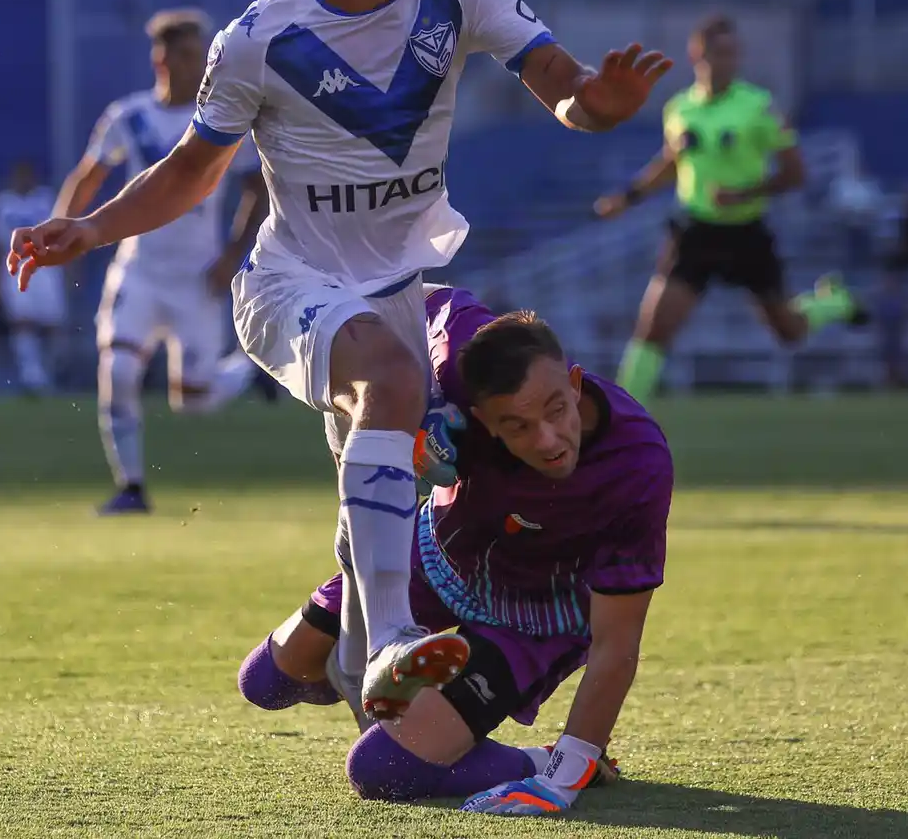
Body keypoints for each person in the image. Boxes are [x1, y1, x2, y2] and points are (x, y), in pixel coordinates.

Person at [7, 0, 672, 720]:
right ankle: (395, 636)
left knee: (380, 512)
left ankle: (327, 667)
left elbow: (561, 82)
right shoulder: (258, 40)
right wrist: (87, 228)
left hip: (397, 290)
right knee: (395, 390)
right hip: (289, 286)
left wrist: (599, 104)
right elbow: (192, 173)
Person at [237, 285, 670, 816]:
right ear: (485, 418)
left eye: (559, 410)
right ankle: (421, 696)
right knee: (267, 681)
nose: (550, 439)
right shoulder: (460, 350)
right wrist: (427, 401)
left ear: (575, 383)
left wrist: (562, 781)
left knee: (380, 770)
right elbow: (412, 293)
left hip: (534, 617)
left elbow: (617, 642)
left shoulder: (637, 463)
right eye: (518, 426)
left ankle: (542, 760)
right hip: (435, 554)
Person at [50, 9, 268, 515]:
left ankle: (252, 374)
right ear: (161, 58)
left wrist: (234, 254)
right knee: (119, 369)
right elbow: (88, 176)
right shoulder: (129, 117)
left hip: (197, 276)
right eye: (190, 54)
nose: (201, 64)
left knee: (193, 401)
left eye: (203, 53)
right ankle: (131, 487)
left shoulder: (220, 120)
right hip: (140, 271)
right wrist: (63, 227)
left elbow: (258, 188)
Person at [593, 14, 865, 407]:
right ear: (696, 54)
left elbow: (795, 173)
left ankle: (834, 301)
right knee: (653, 329)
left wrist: (745, 193)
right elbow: (671, 163)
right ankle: (621, 419)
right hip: (694, 230)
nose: (729, 61)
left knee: (787, 330)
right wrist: (629, 195)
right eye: (720, 53)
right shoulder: (679, 108)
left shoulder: (758, 107)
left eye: (734, 53)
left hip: (746, 231)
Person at [0, 160, 63, 395]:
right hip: (15, 266)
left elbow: (62, 234)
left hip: (46, 266)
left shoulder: (47, 200)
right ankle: (31, 375)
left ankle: (50, 373)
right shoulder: (2, 204)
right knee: (22, 320)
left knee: (52, 324)